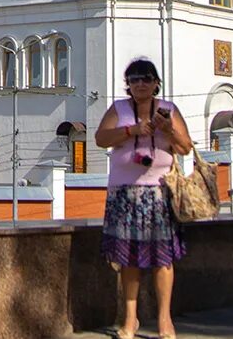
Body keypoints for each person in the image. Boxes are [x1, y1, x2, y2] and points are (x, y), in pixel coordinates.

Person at [94, 58, 194, 339]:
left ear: (156, 83)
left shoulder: (168, 110)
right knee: (129, 259)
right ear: (128, 84)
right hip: (125, 192)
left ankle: (165, 320)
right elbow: (101, 138)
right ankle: (130, 319)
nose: (140, 84)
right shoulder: (119, 109)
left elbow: (185, 147)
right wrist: (131, 130)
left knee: (163, 259)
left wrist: (167, 129)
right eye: (135, 79)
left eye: (146, 79)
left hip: (160, 192)